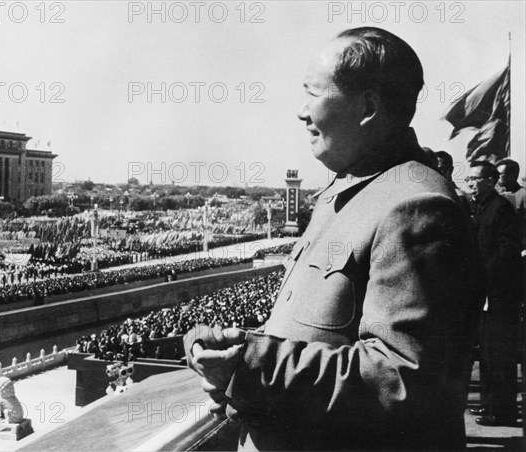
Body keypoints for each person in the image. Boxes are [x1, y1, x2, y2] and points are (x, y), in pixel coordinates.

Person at [184, 27, 483, 450]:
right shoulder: (352, 189)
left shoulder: (417, 206)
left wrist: (249, 368)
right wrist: (233, 379)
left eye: (313, 94)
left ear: (367, 107)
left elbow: (400, 379)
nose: (301, 113)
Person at [466, 161, 521, 426]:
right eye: (469, 180)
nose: (471, 184)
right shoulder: (480, 208)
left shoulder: (502, 208)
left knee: (500, 353)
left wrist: (485, 275)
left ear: (489, 180)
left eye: (475, 179)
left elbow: (508, 249)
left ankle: (503, 411)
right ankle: (488, 405)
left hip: (499, 293)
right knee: (487, 353)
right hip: (484, 292)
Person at [495, 158, 526, 252]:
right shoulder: (496, 194)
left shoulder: (523, 195)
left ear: (512, 176)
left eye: (500, 174)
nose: (496, 177)